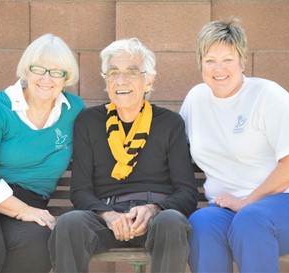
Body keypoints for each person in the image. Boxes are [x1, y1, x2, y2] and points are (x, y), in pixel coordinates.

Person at [48, 37, 199, 273]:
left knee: (172, 222)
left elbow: (187, 193)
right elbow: (80, 191)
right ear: (106, 82)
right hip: (105, 217)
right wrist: (108, 215)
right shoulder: (89, 122)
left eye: (132, 72)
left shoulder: (170, 124)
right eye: (113, 73)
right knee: (69, 223)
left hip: (157, 220)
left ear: (149, 81)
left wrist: (153, 209)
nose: (121, 80)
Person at [179, 18, 289, 273]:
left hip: (287, 203)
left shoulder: (268, 95)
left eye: (228, 59)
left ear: (243, 62)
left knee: (251, 219)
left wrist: (247, 202)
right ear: (200, 63)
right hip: (226, 210)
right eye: (210, 60)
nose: (218, 68)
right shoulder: (195, 99)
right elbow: (173, 149)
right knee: (201, 224)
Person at [0, 33, 84, 273]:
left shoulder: (74, 109)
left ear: (66, 77)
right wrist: (23, 211)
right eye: (40, 69)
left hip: (34, 200)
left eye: (57, 72)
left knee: (38, 244)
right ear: (26, 70)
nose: (47, 78)